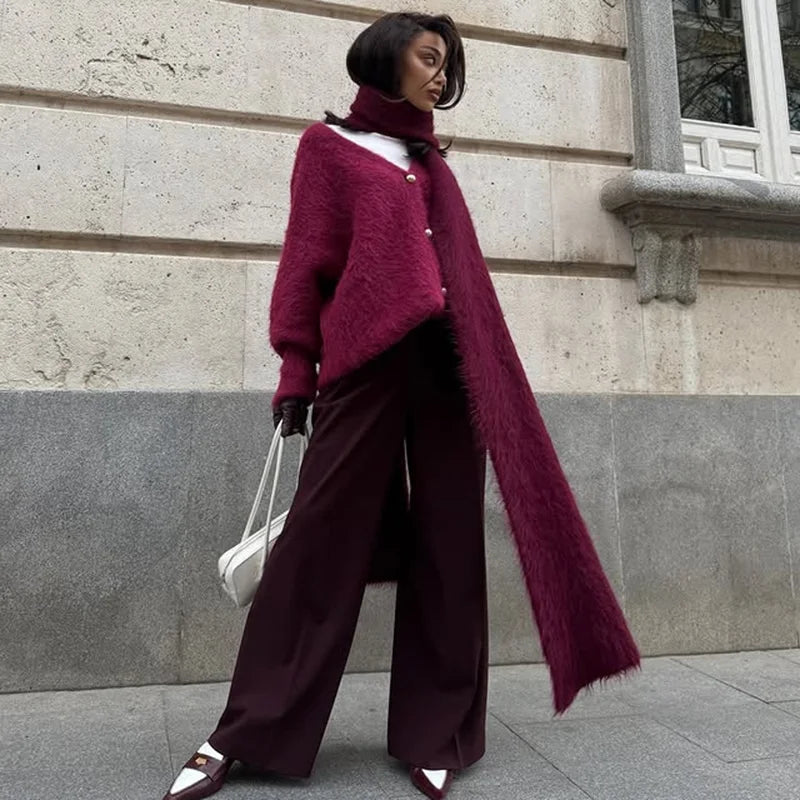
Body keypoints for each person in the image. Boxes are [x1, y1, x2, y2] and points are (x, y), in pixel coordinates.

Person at [161, 11, 640, 800]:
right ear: (386, 58)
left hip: (453, 369)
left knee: (450, 546)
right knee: (317, 544)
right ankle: (246, 731)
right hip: (367, 366)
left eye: (448, 63)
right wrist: (295, 370)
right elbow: (305, 261)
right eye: (428, 57)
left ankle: (438, 731)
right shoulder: (329, 148)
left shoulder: (431, 161)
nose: (441, 74)